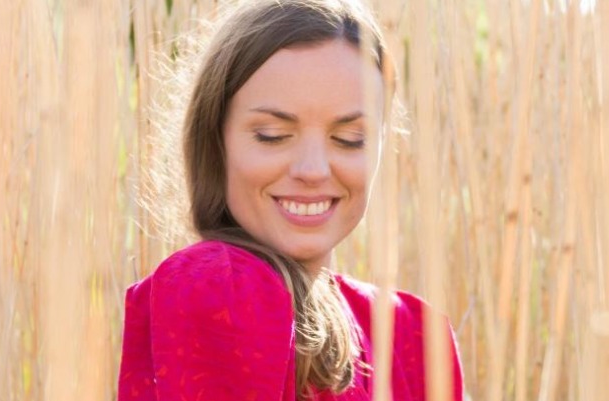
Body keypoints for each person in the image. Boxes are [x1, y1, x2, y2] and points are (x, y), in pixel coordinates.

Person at [117, 1, 464, 400]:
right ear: (216, 143)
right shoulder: (216, 287)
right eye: (273, 135)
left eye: (350, 139)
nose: (312, 169)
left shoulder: (413, 335)